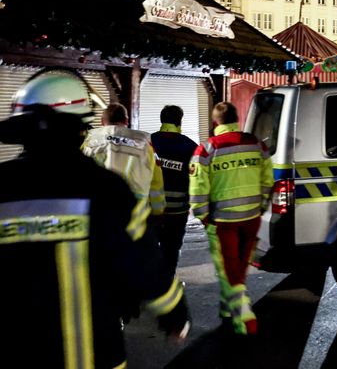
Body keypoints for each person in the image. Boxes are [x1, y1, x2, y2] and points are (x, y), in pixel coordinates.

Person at [0, 71, 190, 368]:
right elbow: (143, 262)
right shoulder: (106, 188)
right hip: (93, 353)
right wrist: (173, 311)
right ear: (79, 127)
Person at [190, 102, 273, 335]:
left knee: (229, 270)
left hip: (223, 221)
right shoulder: (257, 145)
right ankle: (228, 309)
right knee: (239, 267)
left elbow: (198, 188)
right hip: (251, 217)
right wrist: (262, 206)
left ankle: (244, 317)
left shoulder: (207, 149)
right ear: (238, 118)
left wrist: (202, 215)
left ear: (216, 122)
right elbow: (268, 180)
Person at [83, 103, 166, 219]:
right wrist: (158, 210)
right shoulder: (144, 142)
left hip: (98, 213)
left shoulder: (88, 140)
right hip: (135, 215)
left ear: (102, 121)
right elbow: (156, 180)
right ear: (126, 120)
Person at [150, 105, 199, 273]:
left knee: (150, 249)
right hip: (178, 211)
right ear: (180, 121)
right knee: (171, 251)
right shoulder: (190, 146)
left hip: (152, 210)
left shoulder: (148, 142)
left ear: (161, 120)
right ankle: (168, 284)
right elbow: (197, 179)